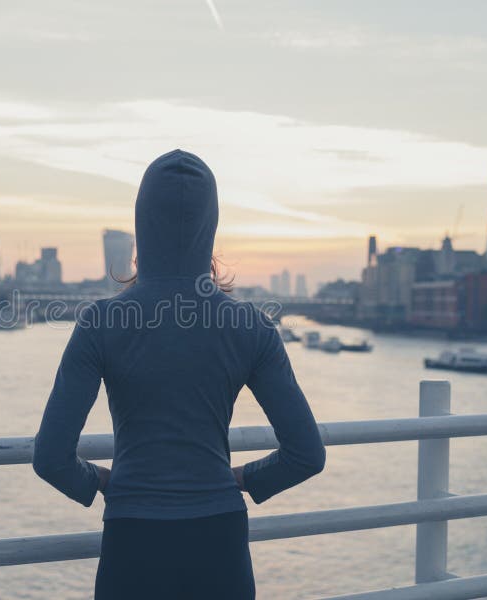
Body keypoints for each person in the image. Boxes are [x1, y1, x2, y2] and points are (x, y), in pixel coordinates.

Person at [33, 149, 326, 599]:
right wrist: (242, 479)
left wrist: (102, 482)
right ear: (210, 226)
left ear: (142, 225)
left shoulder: (100, 323)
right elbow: (306, 454)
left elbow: (51, 458)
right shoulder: (252, 327)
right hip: (219, 544)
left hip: (133, 541)